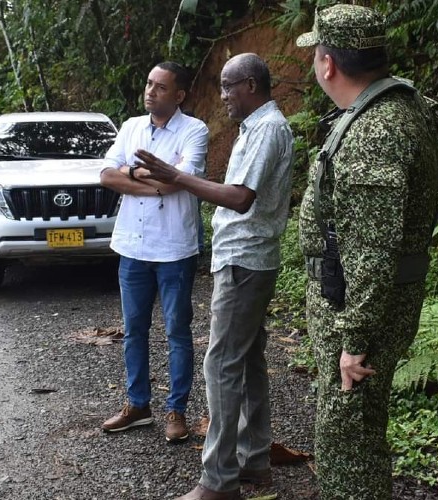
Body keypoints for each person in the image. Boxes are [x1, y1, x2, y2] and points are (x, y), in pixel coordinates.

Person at [295, 5, 438, 499]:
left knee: (347, 447)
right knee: (358, 435)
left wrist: (354, 342)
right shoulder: (412, 108)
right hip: (376, 302)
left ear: (327, 63)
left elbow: (371, 250)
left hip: (359, 313)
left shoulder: (373, 133)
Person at [138, 53, 293, 500]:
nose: (222, 96)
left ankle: (218, 481)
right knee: (246, 360)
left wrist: (177, 176)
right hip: (246, 258)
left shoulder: (267, 129)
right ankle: (253, 460)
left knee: (221, 363)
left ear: (249, 84)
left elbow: (240, 198)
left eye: (227, 87)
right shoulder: (259, 127)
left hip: (246, 260)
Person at [99, 61, 208, 443]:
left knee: (177, 331)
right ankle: (138, 405)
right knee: (134, 330)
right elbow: (106, 175)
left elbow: (182, 178)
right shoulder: (130, 128)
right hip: (132, 245)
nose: (151, 91)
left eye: (161, 87)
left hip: (175, 247)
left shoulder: (194, 130)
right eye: (149, 84)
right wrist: (148, 178)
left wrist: (137, 175)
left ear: (178, 95)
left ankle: (176, 410)